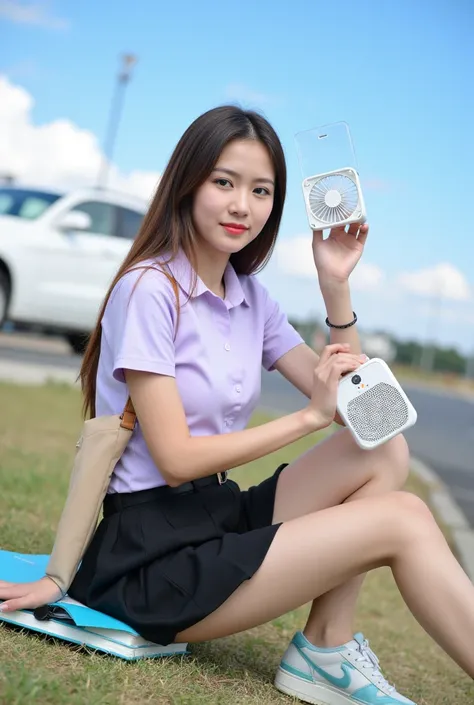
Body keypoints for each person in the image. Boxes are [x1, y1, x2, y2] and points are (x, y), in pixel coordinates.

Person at [0, 105, 473, 705]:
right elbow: (173, 459)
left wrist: (336, 285)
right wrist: (304, 419)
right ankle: (326, 654)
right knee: (402, 519)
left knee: (384, 447)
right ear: (189, 181)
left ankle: (325, 646)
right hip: (150, 557)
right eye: (224, 182)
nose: (241, 206)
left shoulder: (250, 296)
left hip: (215, 517)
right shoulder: (149, 289)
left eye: (261, 190)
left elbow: (367, 412)